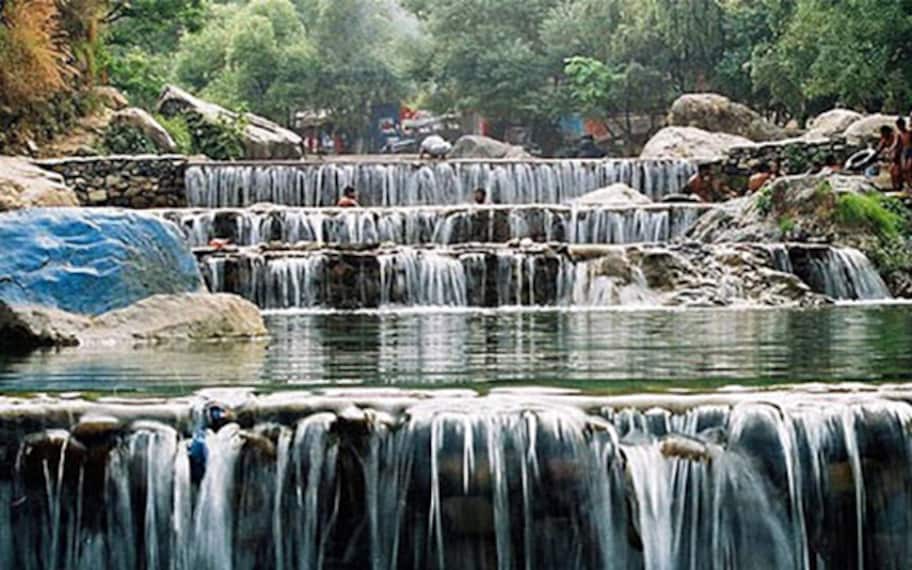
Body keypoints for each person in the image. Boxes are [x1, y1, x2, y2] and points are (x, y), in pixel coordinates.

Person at [875, 124, 903, 191]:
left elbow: (895, 145)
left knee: (896, 171)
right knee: (892, 171)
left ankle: (900, 186)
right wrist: (877, 152)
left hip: (901, 154)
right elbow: (879, 147)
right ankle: (896, 187)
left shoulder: (895, 136)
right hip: (893, 157)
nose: (883, 134)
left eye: (884, 132)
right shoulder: (884, 138)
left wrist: (889, 150)